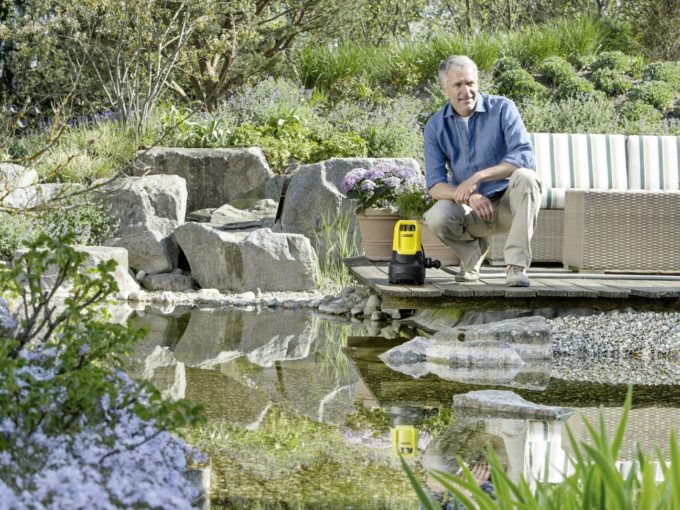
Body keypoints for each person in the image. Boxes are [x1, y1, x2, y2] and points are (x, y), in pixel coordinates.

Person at [423, 55, 542, 287]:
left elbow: (524, 157)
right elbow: (435, 185)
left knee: (528, 178)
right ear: (445, 89)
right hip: (472, 211)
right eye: (457, 84)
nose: (465, 91)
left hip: (509, 205)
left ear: (478, 83)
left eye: (470, 83)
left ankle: (516, 267)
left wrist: (478, 177)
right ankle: (472, 254)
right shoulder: (435, 126)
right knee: (436, 217)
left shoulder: (503, 108)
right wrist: (470, 195)